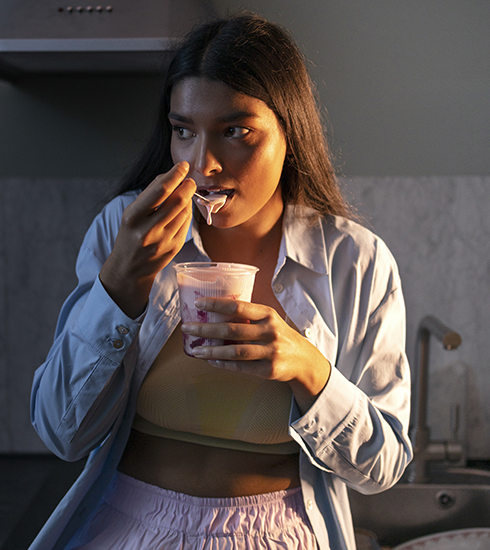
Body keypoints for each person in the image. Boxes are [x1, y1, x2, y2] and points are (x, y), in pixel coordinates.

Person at [30, 13, 412, 550]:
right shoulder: (123, 229)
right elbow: (61, 433)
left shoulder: (356, 262)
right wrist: (119, 286)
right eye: (183, 131)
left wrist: (309, 369)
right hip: (128, 531)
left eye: (235, 132)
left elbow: (384, 466)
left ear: (290, 132)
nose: (202, 164)